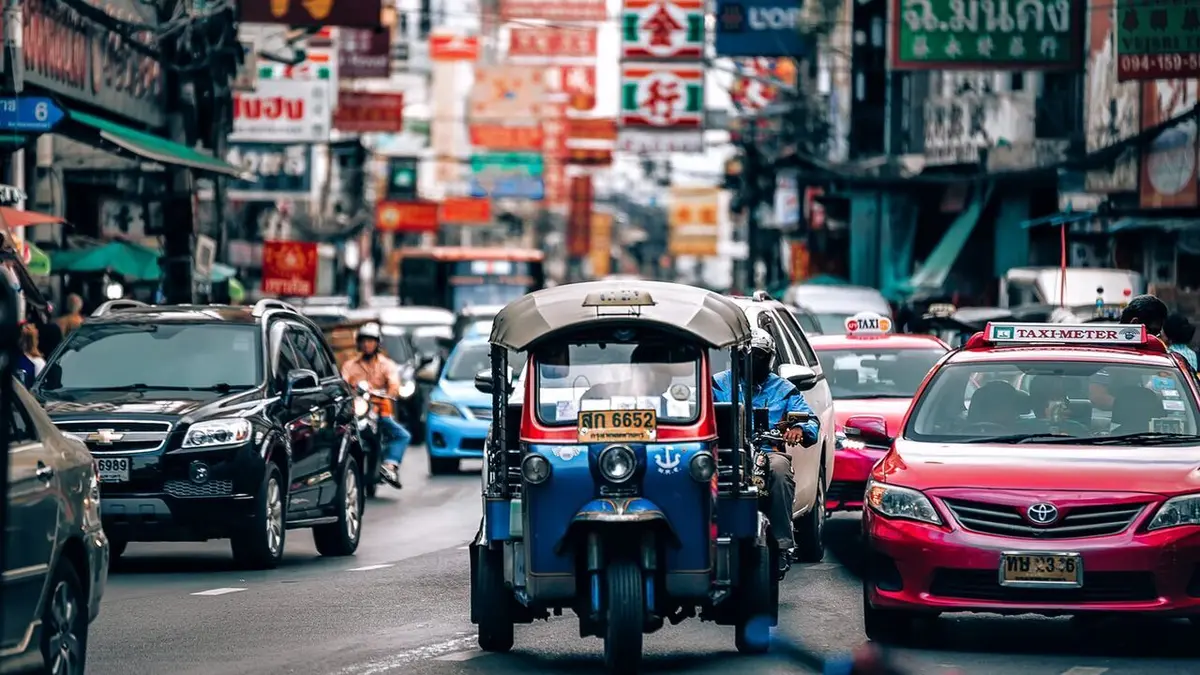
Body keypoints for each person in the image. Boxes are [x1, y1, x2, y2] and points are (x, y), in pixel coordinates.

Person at [711, 328, 819, 578]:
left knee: (780, 471)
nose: (751, 361)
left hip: (768, 452)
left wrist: (799, 430)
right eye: (745, 355)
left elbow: (810, 419)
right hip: (726, 452)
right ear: (734, 356)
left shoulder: (784, 389)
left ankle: (782, 546)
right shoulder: (717, 383)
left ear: (769, 358)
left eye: (758, 355)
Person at [340, 322, 412, 489]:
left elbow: (394, 384)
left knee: (402, 435)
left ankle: (389, 466)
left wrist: (390, 392)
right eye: (364, 341)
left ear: (377, 343)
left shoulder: (386, 364)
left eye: (371, 341)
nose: (367, 344)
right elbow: (343, 384)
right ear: (359, 343)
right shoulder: (350, 365)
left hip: (379, 409)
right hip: (357, 410)